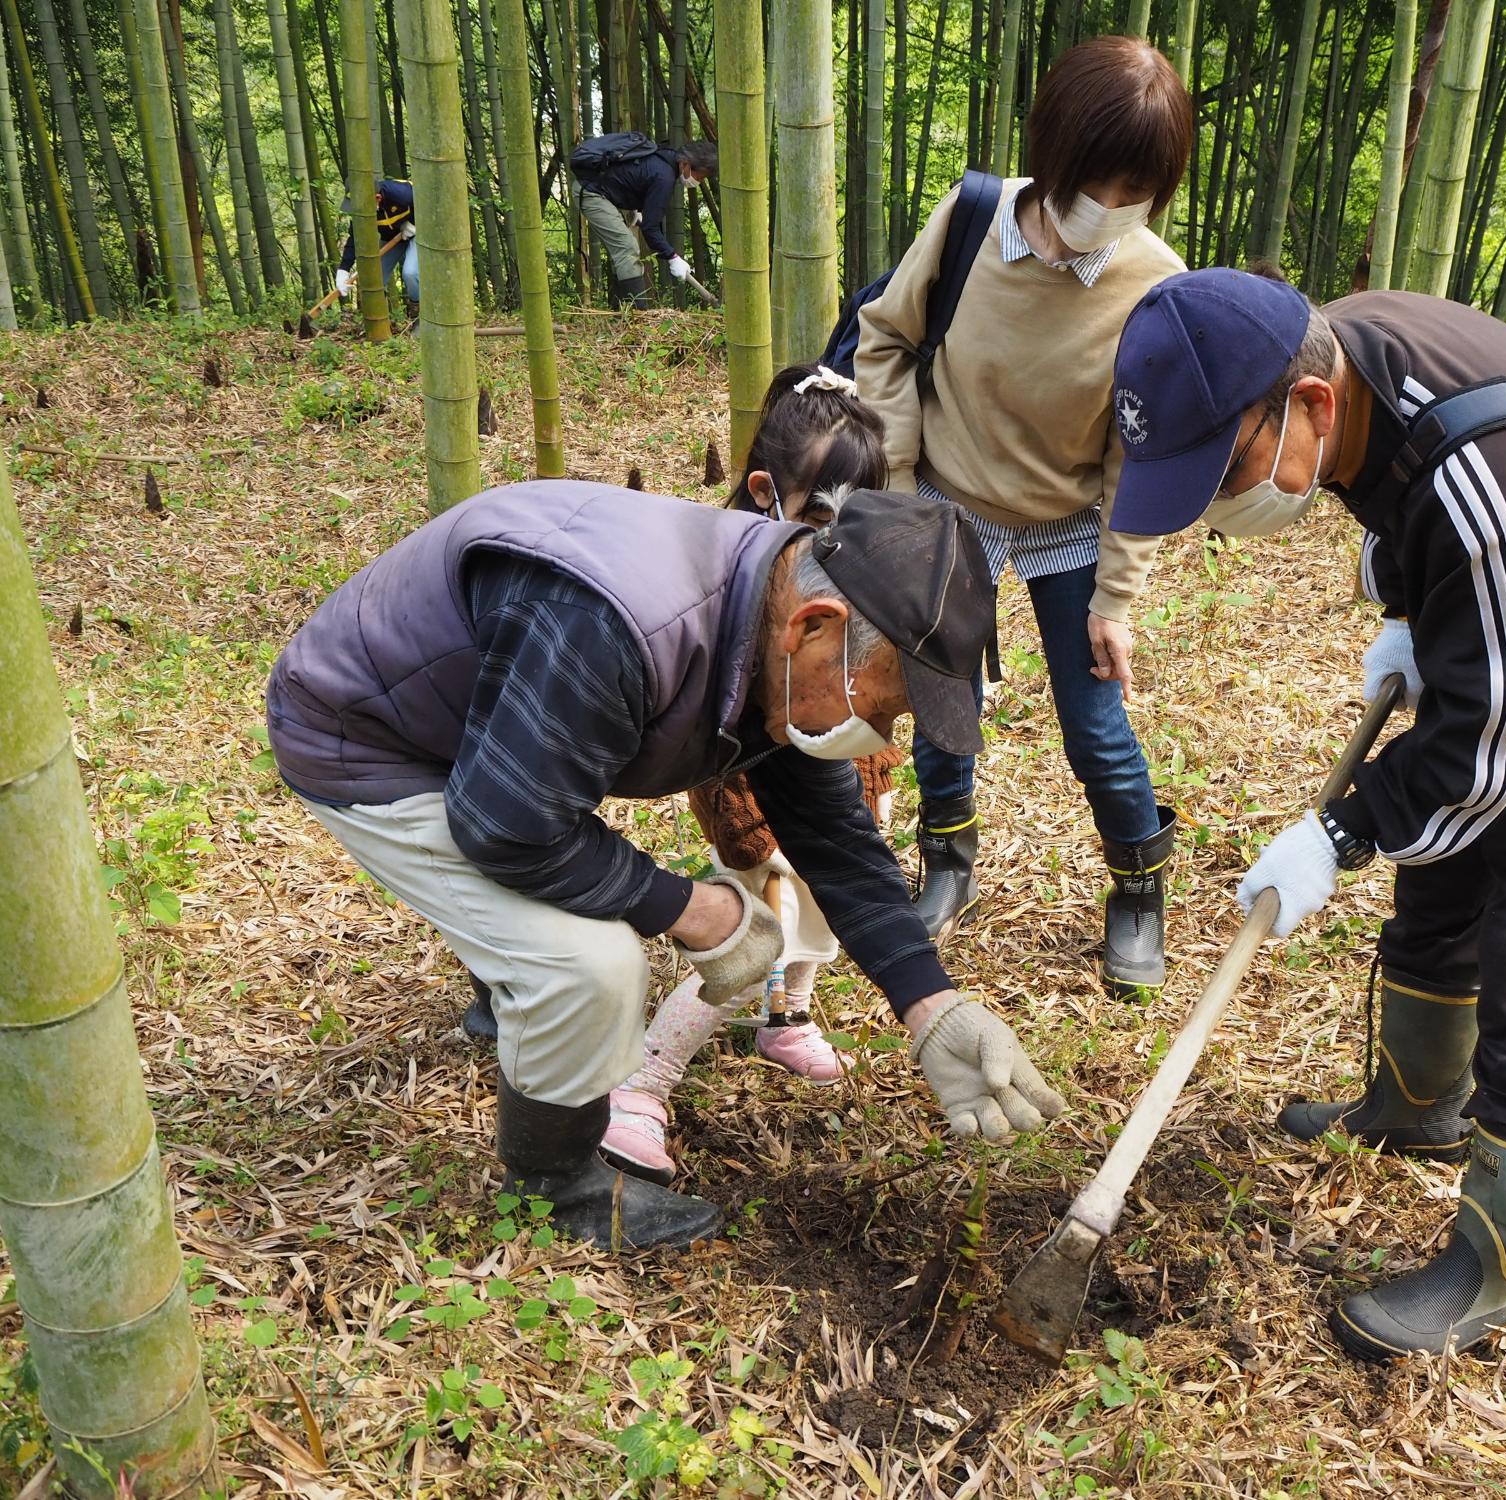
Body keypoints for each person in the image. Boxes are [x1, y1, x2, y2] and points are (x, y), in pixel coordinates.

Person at [1106, 268, 1506, 1360]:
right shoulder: (1345, 354)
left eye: (1224, 474)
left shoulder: (1490, 490)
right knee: (1444, 869)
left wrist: (1338, 833)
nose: (1219, 509)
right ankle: (1416, 1103)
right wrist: (1416, 614)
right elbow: (1409, 516)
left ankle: (1494, 1267)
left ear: (1307, 406)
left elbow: (1479, 755)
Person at [266, 478, 1067, 1254]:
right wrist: (694, 910)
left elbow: (837, 841)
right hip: (371, 736)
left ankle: (506, 1000)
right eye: (888, 706)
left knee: (551, 878)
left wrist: (932, 1006)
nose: (887, 736)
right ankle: (557, 1189)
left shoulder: (775, 631)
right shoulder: (615, 628)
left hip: (481, 723)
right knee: (590, 966)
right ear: (813, 628)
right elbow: (508, 825)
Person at [855, 35, 1193, 998]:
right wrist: (900, 479)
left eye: (1140, 192)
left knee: (1095, 724)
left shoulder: (1155, 282)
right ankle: (948, 856)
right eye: (1102, 185)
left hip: (1072, 521)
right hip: (950, 501)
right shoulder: (972, 221)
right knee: (942, 702)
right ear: (1056, 156)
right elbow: (886, 336)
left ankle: (1137, 889)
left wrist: (1117, 598)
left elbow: (1142, 454)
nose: (1115, 210)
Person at [598, 364, 906, 1178]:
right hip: (755, 778)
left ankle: (789, 1015)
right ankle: (644, 1080)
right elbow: (720, 724)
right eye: (815, 516)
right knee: (757, 914)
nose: (830, 540)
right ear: (766, 491)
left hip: (840, 753)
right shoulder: (726, 577)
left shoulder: (853, 573)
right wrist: (749, 823)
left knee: (826, 900)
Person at [570, 135, 718, 308]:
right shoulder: (664, 176)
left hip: (601, 192)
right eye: (699, 177)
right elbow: (650, 228)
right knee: (626, 248)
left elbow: (634, 179)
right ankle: (638, 316)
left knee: (623, 251)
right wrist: (672, 256)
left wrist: (638, 209)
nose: (698, 182)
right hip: (591, 193)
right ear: (685, 164)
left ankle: (618, 311)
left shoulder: (665, 158)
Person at [333, 178, 419, 319]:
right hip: (393, 238)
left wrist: (414, 222)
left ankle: (418, 314)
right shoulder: (361, 213)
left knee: (410, 273)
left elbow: (430, 204)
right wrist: (344, 269)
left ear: (377, 198)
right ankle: (379, 322)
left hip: (418, 234)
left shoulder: (401, 193)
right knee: (374, 277)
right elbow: (355, 238)